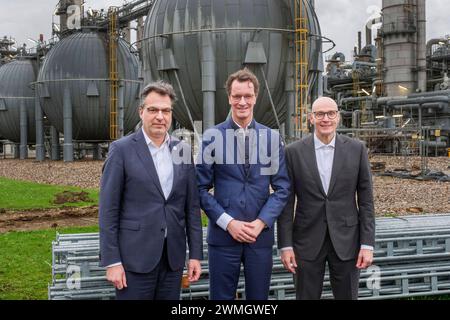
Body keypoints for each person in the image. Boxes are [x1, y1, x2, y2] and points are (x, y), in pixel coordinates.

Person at [99, 80, 203, 300]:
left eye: (166, 111)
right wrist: (112, 261)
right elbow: (108, 210)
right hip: (133, 261)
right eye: (153, 110)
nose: (160, 116)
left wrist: (195, 255)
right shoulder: (122, 150)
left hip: (172, 261)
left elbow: (192, 208)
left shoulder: (182, 151)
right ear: (141, 112)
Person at [196, 68, 290, 300]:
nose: (242, 102)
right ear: (229, 97)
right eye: (237, 96)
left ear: (255, 97)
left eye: (247, 96)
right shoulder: (212, 136)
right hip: (223, 237)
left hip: (259, 238)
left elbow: (282, 188)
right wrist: (228, 223)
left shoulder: (271, 138)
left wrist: (261, 222)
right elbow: (199, 188)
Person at [277, 96, 375, 300]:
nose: (325, 119)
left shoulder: (357, 149)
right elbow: (286, 203)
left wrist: (367, 244)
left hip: (348, 241)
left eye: (331, 113)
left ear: (338, 117)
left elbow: (366, 201)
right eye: (320, 114)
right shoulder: (293, 152)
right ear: (311, 118)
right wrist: (285, 245)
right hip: (306, 240)